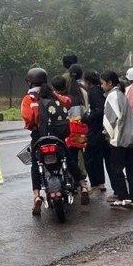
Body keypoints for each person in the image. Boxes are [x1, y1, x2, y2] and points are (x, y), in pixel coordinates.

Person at [23, 68, 82, 217]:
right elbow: (67, 103)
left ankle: (36, 195)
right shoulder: (53, 95)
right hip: (57, 135)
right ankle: (84, 185)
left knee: (36, 164)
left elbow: (28, 118)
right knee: (67, 158)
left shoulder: (28, 99)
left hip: (38, 136)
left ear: (29, 82)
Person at [101, 69, 133, 209]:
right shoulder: (122, 94)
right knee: (132, 169)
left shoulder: (112, 96)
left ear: (109, 83)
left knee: (116, 169)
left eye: (102, 83)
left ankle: (123, 197)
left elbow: (110, 120)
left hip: (120, 138)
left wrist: (108, 135)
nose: (101, 86)